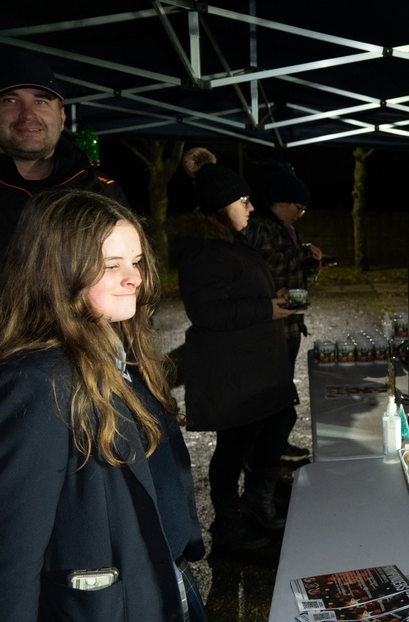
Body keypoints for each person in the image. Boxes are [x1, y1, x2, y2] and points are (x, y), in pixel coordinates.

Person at [0, 189, 205, 621]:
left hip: (165, 581)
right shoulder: (41, 382)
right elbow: (12, 554)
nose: (134, 278)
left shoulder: (120, 347)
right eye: (112, 266)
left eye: (136, 262)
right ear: (58, 275)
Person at [171, 147, 298, 551]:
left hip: (253, 366)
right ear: (221, 205)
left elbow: (236, 292)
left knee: (279, 420)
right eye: (243, 201)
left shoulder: (230, 240)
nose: (251, 206)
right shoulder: (204, 248)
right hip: (233, 371)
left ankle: (256, 499)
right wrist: (267, 308)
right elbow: (207, 311)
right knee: (232, 448)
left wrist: (270, 297)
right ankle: (228, 524)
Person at [0, 48, 128, 260]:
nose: (28, 114)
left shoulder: (102, 193)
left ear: (61, 118)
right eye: (10, 101)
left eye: (40, 101)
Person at [246, 163, 327, 465]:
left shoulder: (288, 229)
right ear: (280, 201)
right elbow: (269, 267)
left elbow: (293, 270)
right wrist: (303, 253)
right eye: (298, 207)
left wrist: (312, 268)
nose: (300, 213)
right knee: (273, 392)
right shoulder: (262, 228)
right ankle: (264, 451)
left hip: (292, 323)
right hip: (273, 323)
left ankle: (277, 444)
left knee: (282, 388)